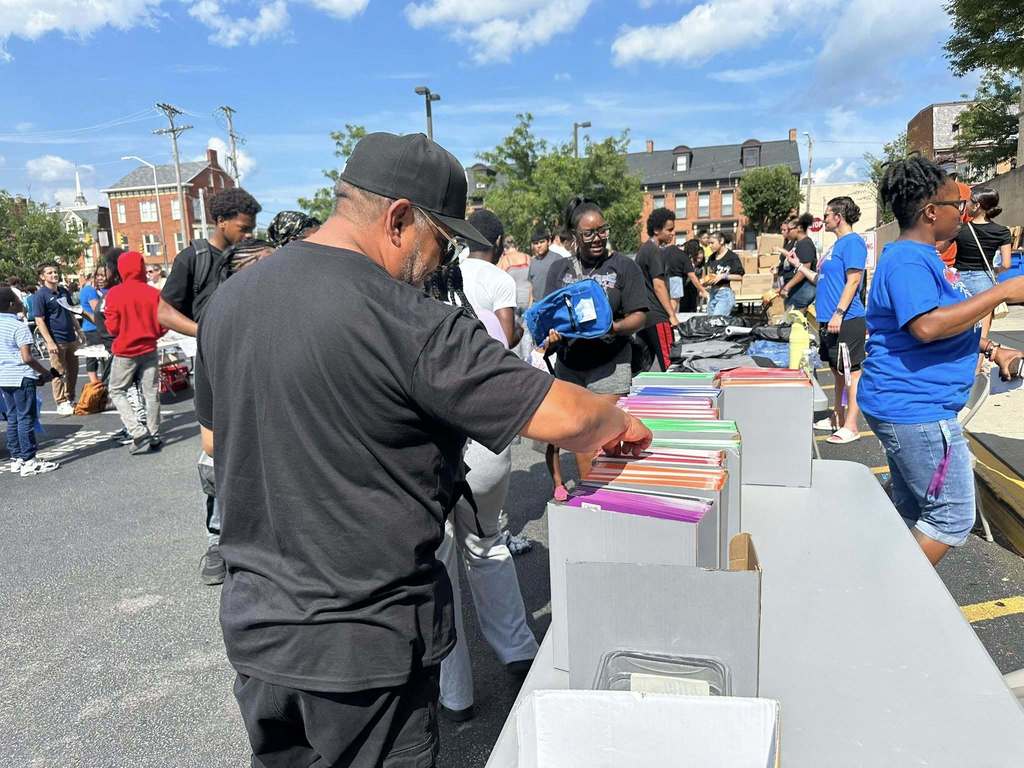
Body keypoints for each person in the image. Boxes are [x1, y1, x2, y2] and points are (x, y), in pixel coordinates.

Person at [194, 132, 652, 767]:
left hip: (260, 635)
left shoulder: (231, 302)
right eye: (443, 240)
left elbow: (214, 439)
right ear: (400, 218)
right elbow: (568, 416)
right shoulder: (402, 316)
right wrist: (624, 419)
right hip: (365, 644)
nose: (442, 262)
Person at [858, 156, 1024, 566]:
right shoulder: (908, 260)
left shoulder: (922, 258)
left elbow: (941, 322)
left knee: (915, 511)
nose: (963, 216)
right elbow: (926, 327)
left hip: (911, 405)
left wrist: (991, 349)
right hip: (917, 409)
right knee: (951, 517)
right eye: (958, 207)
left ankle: (885, 581)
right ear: (932, 212)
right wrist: (1001, 292)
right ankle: (887, 596)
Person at [425, 266, 538, 723]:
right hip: (486, 450)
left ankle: (456, 696)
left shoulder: (399, 317)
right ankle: (518, 652)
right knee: (488, 545)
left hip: (429, 460)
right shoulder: (483, 315)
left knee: (438, 565)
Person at [158, 186, 261, 587]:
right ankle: (216, 541)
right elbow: (164, 311)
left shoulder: (250, 257)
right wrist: (208, 333)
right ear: (221, 221)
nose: (248, 234)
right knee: (216, 453)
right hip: (213, 360)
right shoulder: (195, 257)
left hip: (247, 358)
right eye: (243, 227)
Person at [543, 195, 649, 491]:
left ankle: (604, 497)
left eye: (602, 230)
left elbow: (640, 315)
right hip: (569, 366)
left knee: (598, 434)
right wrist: (551, 334)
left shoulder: (623, 268)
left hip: (610, 364)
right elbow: (549, 314)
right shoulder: (559, 270)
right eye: (589, 233)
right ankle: (593, 499)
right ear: (575, 236)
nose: (597, 238)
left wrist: (613, 327)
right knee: (582, 437)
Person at [786, 197, 866, 444]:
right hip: (829, 320)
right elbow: (820, 278)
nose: (824, 219)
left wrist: (839, 313)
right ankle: (837, 417)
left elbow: (854, 280)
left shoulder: (852, 243)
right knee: (836, 370)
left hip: (846, 319)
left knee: (851, 371)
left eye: (827, 215)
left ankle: (851, 425)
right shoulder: (836, 246)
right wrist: (799, 266)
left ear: (838, 217)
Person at [103, 251, 166, 454]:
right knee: (151, 392)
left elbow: (112, 328)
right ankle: (154, 433)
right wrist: (154, 334)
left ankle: (137, 430)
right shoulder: (153, 293)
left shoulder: (114, 294)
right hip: (149, 347)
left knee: (117, 390)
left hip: (125, 350)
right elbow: (164, 320)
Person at [1, 286, 58, 477]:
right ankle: (29, 460)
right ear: (11, 305)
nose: (22, 302)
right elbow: (27, 358)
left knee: (13, 417)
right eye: (18, 300)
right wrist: (44, 373)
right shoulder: (19, 326)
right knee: (26, 417)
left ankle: (17, 458)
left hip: (4, 377)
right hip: (21, 376)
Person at [953, 186, 1013, 359]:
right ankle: (977, 372)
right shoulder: (1002, 232)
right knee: (982, 336)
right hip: (984, 282)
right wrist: (994, 271)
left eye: (970, 201)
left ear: (977, 205)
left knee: (958, 329)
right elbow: (1007, 264)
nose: (967, 204)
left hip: (960, 280)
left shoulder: (960, 229)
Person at [458, 209, 522, 348]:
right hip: (485, 365)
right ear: (498, 241)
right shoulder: (501, 280)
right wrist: (519, 330)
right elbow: (505, 340)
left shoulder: (452, 273)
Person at [30, 262, 84, 416]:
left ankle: (70, 398)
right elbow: (39, 320)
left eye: (55, 272)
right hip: (56, 339)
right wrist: (49, 341)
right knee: (58, 371)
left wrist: (79, 330)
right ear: (42, 277)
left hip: (70, 337)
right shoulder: (40, 296)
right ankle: (60, 402)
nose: (54, 275)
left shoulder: (64, 291)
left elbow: (71, 312)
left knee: (73, 370)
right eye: (49, 273)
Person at [635, 208, 680, 370]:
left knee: (642, 367)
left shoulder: (643, 250)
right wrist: (671, 315)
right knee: (671, 365)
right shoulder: (654, 251)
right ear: (656, 230)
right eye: (669, 230)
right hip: (657, 316)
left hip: (644, 318)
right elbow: (659, 286)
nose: (672, 233)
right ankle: (674, 395)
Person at [778, 213, 817, 310]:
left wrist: (787, 287)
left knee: (795, 323)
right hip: (795, 291)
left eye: (790, 229)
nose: (788, 232)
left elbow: (803, 271)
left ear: (798, 228)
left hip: (803, 291)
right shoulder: (797, 243)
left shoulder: (805, 244)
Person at [704, 231, 744, 316]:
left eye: (712, 243)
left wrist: (723, 276)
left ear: (721, 241)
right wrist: (705, 281)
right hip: (712, 293)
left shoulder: (732, 257)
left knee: (717, 322)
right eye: (709, 243)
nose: (710, 246)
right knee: (710, 322)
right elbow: (709, 274)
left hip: (724, 294)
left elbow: (740, 276)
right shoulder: (712, 257)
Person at [79, 268, 108, 384]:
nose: (100, 279)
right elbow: (97, 310)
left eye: (103, 276)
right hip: (94, 328)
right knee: (96, 356)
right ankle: (96, 383)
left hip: (93, 328)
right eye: (98, 276)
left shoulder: (94, 290)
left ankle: (99, 382)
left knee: (97, 356)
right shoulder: (89, 290)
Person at [669, 238, 709, 313]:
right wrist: (703, 291)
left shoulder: (672, 250)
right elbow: (692, 276)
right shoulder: (685, 257)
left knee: (674, 308)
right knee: (676, 309)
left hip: (669, 280)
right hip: (677, 282)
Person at [527, 225, 560, 305]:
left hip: (553, 305)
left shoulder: (558, 259)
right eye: (536, 243)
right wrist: (529, 307)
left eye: (542, 242)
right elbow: (531, 287)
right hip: (537, 305)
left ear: (548, 242)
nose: (539, 245)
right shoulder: (533, 262)